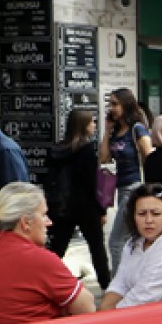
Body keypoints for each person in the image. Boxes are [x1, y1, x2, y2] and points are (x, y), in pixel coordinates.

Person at [0, 182, 95, 324]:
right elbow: (88, 308)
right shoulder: (38, 259)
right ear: (25, 223)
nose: (49, 222)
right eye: (44, 214)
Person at [47, 109, 111, 291]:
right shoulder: (87, 149)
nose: (94, 126)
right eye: (92, 122)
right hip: (86, 206)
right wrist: (102, 209)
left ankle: (45, 282)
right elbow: (92, 183)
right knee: (97, 248)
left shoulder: (57, 149)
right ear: (84, 125)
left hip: (63, 206)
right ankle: (106, 285)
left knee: (57, 248)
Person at [100, 88, 154, 273]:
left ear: (126, 104)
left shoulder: (137, 129)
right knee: (134, 240)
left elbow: (149, 158)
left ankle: (117, 288)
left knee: (116, 241)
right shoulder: (116, 131)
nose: (112, 108)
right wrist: (107, 131)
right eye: (110, 104)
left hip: (134, 188)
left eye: (115, 104)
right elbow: (104, 158)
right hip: (121, 188)